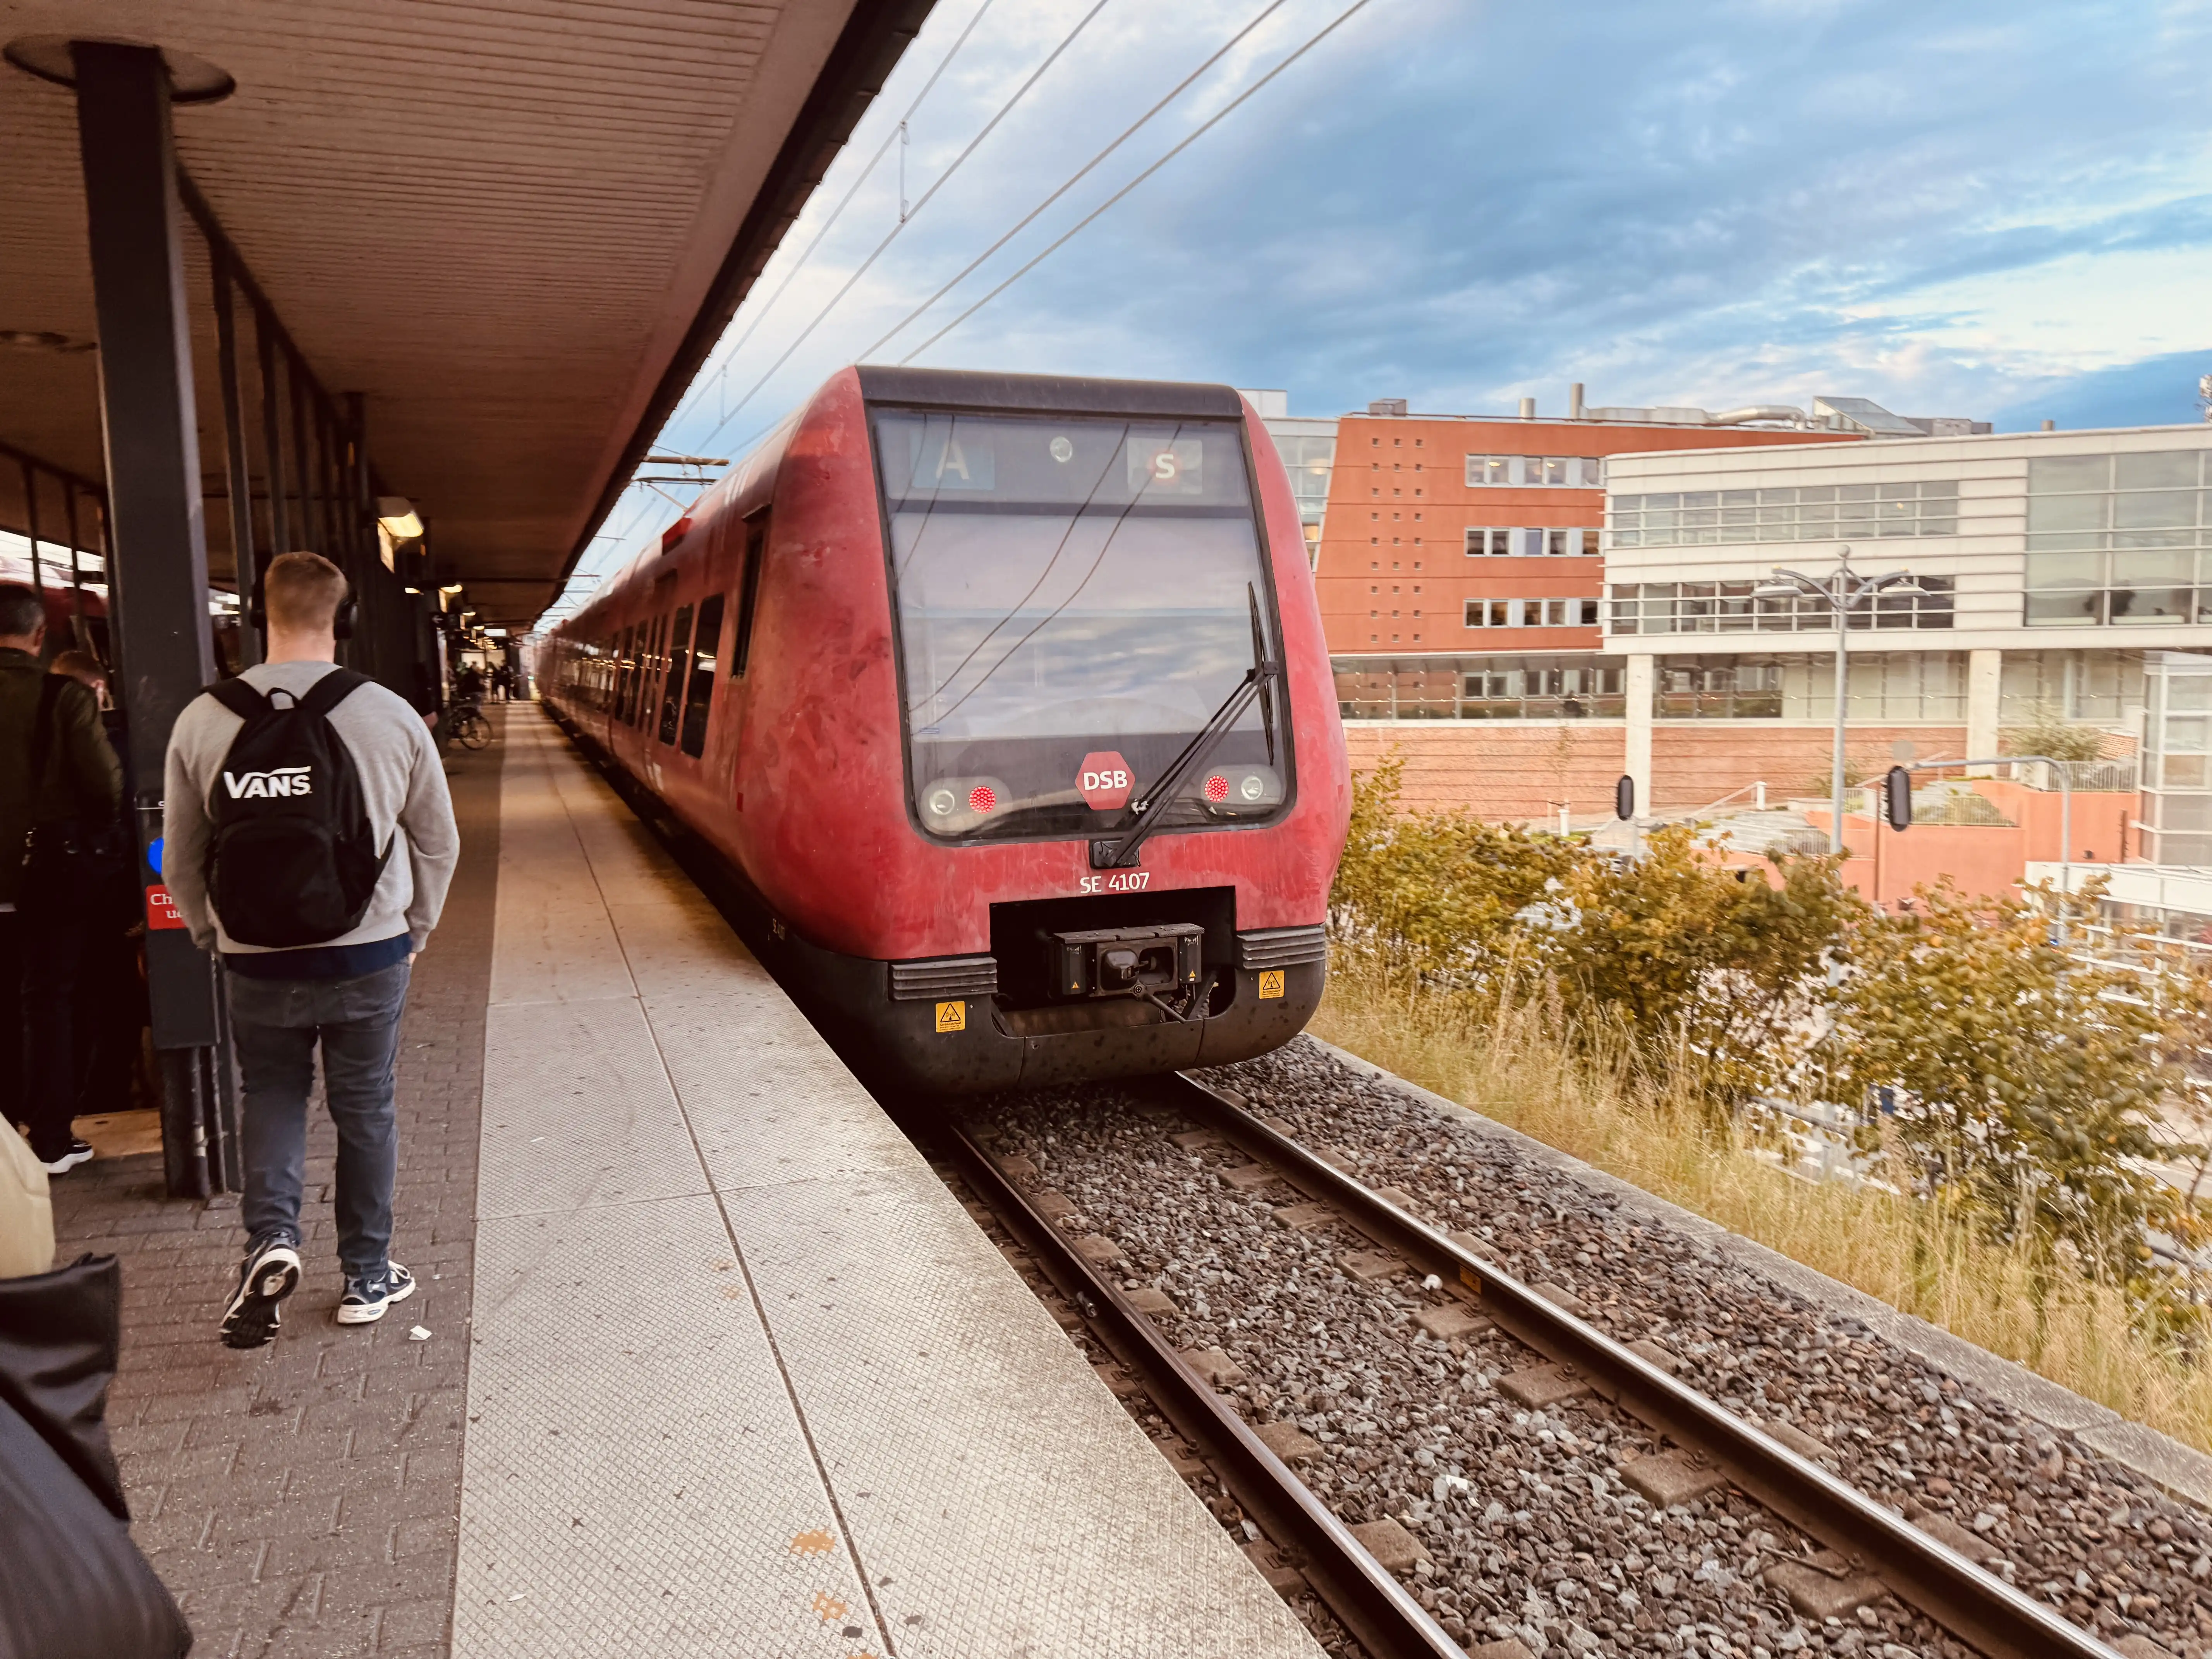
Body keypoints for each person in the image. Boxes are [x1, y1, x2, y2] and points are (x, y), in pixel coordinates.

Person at [164, 552, 459, 1348]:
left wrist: (209, 931)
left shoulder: (202, 718)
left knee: (272, 1095)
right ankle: (367, 1276)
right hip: (369, 955)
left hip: (255, 957)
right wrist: (415, 927)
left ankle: (272, 1240)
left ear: (260, 617)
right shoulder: (388, 714)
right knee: (365, 1106)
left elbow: (181, 854)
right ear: (347, 618)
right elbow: (438, 840)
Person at [0, 585, 123, 1176]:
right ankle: (50, 1139)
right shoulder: (63, 698)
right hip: (48, 871)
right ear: (40, 635)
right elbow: (105, 787)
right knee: (48, 1000)